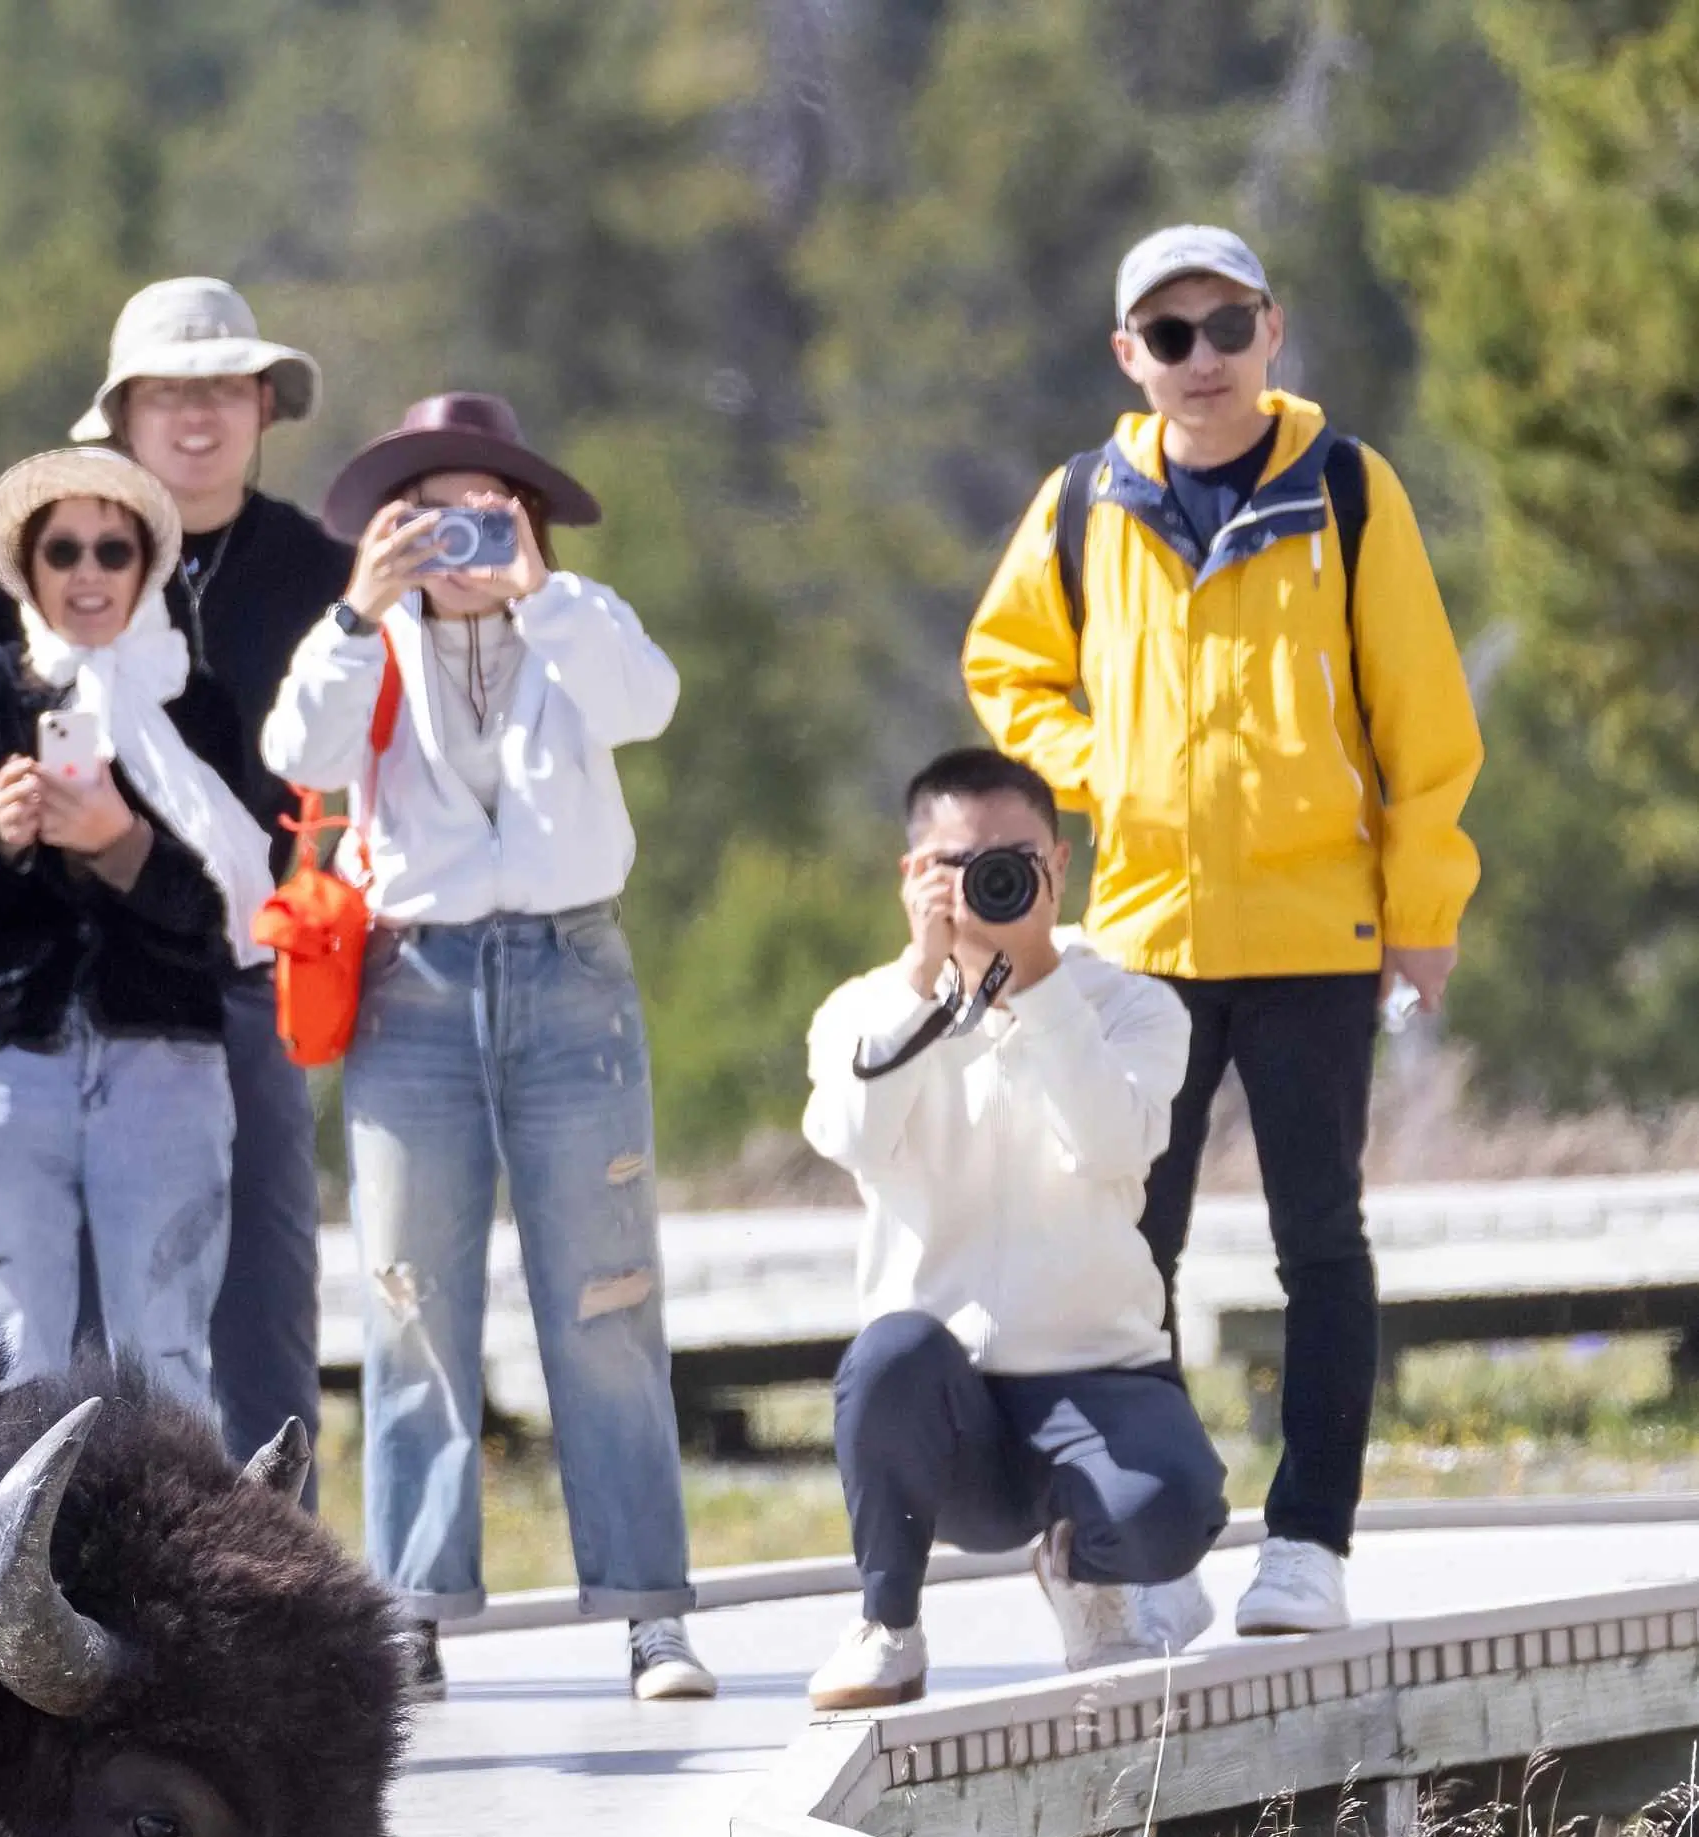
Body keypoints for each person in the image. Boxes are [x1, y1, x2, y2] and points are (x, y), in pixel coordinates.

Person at [962, 224, 1483, 1639]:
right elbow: (1003, 664)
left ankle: (1308, 1542)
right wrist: (1096, 766)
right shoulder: (1083, 498)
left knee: (1318, 1240)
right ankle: (1156, 1531)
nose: (1202, 358)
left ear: (1271, 331)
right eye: (1169, 335)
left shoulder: (1348, 489)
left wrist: (1421, 911)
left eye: (1226, 325)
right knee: (1133, 1249)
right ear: (1128, 357)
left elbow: (1424, 724)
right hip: (1142, 937)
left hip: (1321, 932)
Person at [0, 279, 346, 1474]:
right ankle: (58, 1595)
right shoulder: (26, 553)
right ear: (120, 412)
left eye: (221, 388)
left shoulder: (314, 570)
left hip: (243, 964)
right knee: (38, 1321)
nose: (197, 418)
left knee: (250, 1288)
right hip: (37, 1008)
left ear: (263, 404)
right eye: (167, 392)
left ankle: (259, 1575)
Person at [262, 393, 709, 1704]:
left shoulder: (578, 626)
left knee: (609, 1302)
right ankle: (407, 1609)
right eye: (430, 513)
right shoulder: (368, 640)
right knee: (409, 1305)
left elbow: (649, 706)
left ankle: (647, 1612)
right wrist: (357, 607)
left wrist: (537, 592)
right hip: (416, 979)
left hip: (571, 970)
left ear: (525, 514)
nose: (457, 538)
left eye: (484, 508)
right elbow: (296, 748)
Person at [800, 749, 1229, 1711]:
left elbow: (1116, 1144)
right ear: (914, 875)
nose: (990, 882)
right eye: (958, 863)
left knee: (1172, 1510)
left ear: (1060, 868)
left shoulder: (1133, 1006)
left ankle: (1090, 1574)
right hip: (943, 1406)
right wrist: (923, 980)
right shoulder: (864, 1011)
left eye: (1015, 860)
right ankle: (888, 1626)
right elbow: (853, 1138)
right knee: (888, 1352)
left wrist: (1036, 983)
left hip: (1093, 1378)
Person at [0, 449, 274, 1419]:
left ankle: (174, 1569)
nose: (85, 573)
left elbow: (223, 916)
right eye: (60, 549)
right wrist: (2, 842)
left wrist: (121, 844)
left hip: (163, 1055)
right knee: (12, 1349)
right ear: (24, 570)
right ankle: (3, 1568)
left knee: (161, 1346)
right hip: (6, 1059)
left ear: (145, 566)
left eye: (111, 551)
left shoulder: (193, 709)